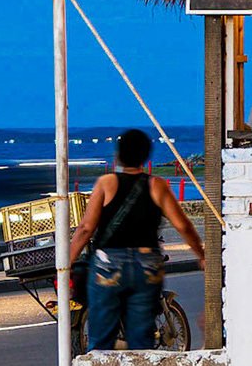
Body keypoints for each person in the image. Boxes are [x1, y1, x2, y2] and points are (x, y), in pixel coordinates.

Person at [67, 128, 206, 351]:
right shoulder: (157, 185)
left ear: (118, 156)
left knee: (101, 337)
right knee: (141, 338)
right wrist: (201, 254)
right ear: (145, 156)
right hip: (146, 264)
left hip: (108, 264)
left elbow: (85, 229)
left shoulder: (106, 183)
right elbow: (183, 225)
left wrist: (67, 263)